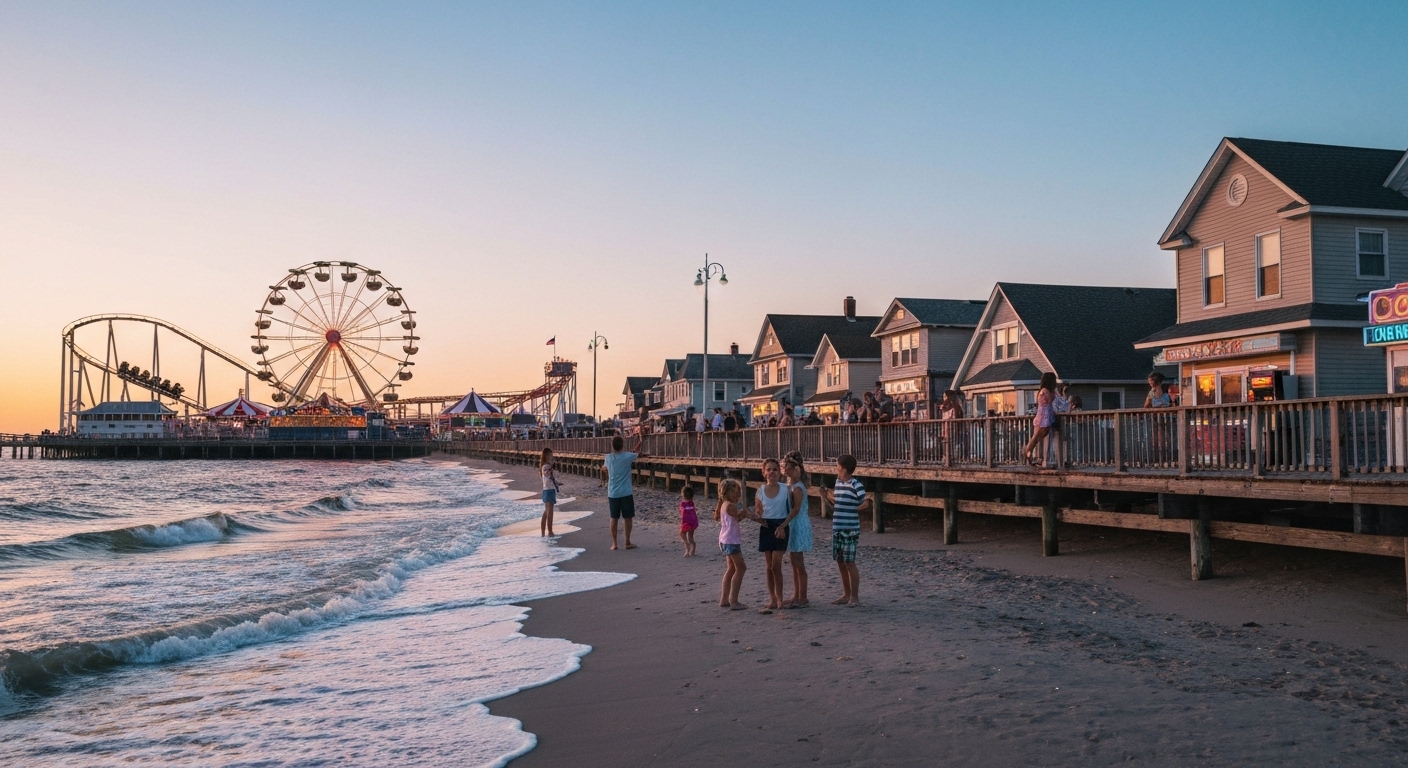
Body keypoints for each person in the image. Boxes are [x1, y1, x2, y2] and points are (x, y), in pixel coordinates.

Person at [821, 454, 870, 606]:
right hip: (837, 526)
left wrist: (856, 508)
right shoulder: (838, 482)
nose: (836, 469)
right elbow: (837, 501)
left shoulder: (856, 485)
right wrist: (826, 496)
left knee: (850, 562)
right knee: (841, 561)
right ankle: (846, 594)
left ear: (843, 468)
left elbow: (867, 502)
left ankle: (854, 597)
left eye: (837, 466)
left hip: (850, 528)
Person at [753, 458, 790, 612]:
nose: (772, 472)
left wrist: (783, 526)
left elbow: (792, 510)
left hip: (781, 526)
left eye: (775, 469)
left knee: (776, 565)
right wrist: (757, 515)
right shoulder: (760, 491)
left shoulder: (786, 489)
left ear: (779, 472)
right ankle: (772, 599)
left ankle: (780, 598)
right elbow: (758, 511)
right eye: (768, 469)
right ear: (764, 473)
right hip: (767, 526)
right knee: (769, 567)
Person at [779, 451, 812, 608]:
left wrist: (784, 523)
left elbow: (796, 509)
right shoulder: (789, 485)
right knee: (793, 561)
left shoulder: (798, 488)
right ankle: (796, 594)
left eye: (787, 467)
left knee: (799, 562)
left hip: (798, 523)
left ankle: (803, 596)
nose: (784, 469)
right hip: (793, 523)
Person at [602, 434, 646, 550]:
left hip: (613, 492)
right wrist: (640, 442)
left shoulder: (608, 457)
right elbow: (638, 453)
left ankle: (614, 544)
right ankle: (627, 542)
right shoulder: (627, 456)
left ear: (612, 446)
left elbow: (604, 469)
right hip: (626, 492)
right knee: (628, 517)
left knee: (613, 518)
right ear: (622, 445)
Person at [715, 478, 750, 610]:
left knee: (731, 569)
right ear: (729, 493)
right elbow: (738, 517)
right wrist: (747, 513)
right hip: (731, 541)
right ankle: (734, 601)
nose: (738, 495)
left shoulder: (723, 505)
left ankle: (724, 599)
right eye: (736, 492)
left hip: (724, 540)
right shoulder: (730, 506)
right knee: (741, 568)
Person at [1023, 372, 1059, 466]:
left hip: (1045, 418)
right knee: (1035, 440)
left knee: (1037, 440)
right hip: (1043, 419)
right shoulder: (1045, 392)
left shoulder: (1045, 391)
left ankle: (1033, 458)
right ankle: (1028, 454)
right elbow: (1053, 401)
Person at [540, 448, 561, 537]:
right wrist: (551, 466)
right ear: (547, 457)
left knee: (547, 512)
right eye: (550, 456)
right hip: (548, 491)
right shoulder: (545, 466)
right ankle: (550, 532)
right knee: (549, 513)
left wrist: (557, 483)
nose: (552, 458)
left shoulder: (547, 466)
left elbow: (551, 478)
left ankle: (544, 532)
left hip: (550, 490)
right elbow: (546, 474)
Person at [679, 485, 699, 557]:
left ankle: (687, 546)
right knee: (690, 536)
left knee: (682, 533)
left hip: (686, 522)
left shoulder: (682, 503)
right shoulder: (692, 503)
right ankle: (693, 548)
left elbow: (682, 512)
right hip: (693, 522)